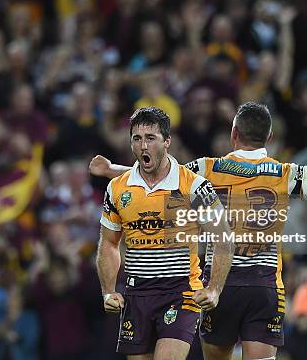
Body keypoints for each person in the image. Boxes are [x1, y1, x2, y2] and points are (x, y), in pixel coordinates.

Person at [91, 102, 307, 360]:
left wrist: (113, 171)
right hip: (263, 285)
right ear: (269, 137)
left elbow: (161, 176)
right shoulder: (288, 174)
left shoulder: (205, 168)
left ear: (233, 133)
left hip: (218, 284)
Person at [96, 106, 234, 359]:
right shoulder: (117, 188)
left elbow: (223, 238)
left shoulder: (193, 186)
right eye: (137, 139)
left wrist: (214, 288)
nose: (143, 146)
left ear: (167, 141)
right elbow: (108, 244)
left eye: (150, 138)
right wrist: (108, 291)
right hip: (136, 293)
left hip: (180, 290)